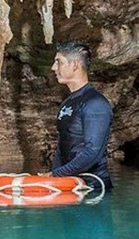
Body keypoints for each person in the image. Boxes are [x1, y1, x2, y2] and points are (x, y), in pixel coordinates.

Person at [46, 41, 113, 188]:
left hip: (92, 188)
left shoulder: (95, 103)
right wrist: (56, 178)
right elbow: (61, 146)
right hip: (68, 186)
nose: (53, 68)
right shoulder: (67, 103)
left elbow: (92, 152)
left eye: (59, 62)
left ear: (75, 65)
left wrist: (56, 175)